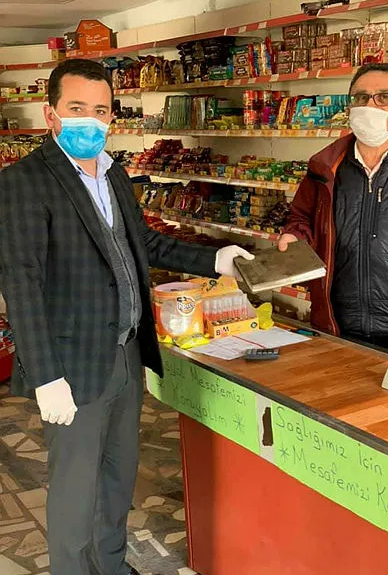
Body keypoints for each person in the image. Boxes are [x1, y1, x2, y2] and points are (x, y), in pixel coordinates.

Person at [0, 59, 254, 575]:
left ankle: (111, 566)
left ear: (112, 116)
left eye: (100, 110)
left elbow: (146, 243)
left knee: (118, 477)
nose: (90, 121)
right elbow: (20, 283)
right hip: (71, 365)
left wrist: (216, 260)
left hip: (125, 352)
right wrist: (46, 376)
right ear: (51, 114)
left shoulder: (113, 173)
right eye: (76, 108)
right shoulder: (23, 182)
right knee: (75, 489)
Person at [279, 63, 388, 363]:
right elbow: (301, 218)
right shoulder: (324, 168)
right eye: (360, 97)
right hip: (338, 327)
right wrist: (294, 236)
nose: (370, 106)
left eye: (384, 97)